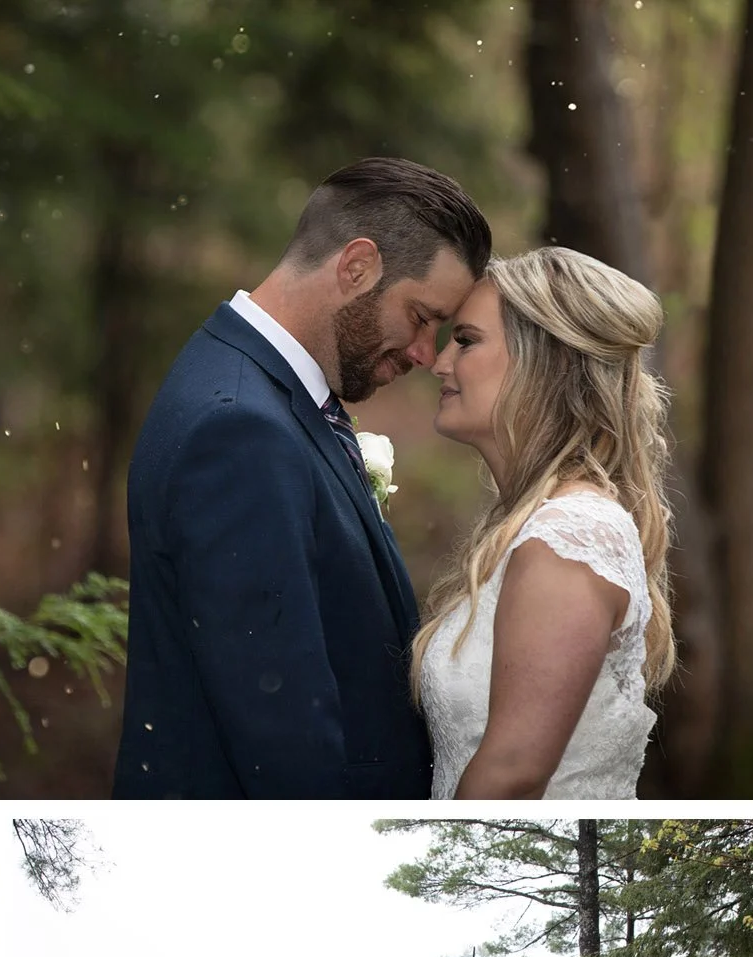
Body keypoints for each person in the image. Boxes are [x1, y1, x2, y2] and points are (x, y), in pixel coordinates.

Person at [113, 157, 491, 799]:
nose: (426, 354)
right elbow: (282, 734)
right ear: (357, 268)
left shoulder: (251, 387)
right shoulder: (240, 431)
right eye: (423, 317)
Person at [412, 246, 676, 799]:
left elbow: (513, 773)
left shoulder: (569, 536)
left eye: (465, 340)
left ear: (544, 361)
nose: (439, 362)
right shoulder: (535, 525)